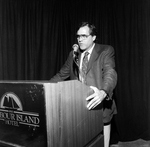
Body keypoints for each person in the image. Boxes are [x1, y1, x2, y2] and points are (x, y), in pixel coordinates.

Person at [50, 22, 117, 147]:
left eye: (84, 36)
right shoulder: (73, 54)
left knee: (103, 144)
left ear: (94, 37)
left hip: (100, 104)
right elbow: (61, 75)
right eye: (78, 36)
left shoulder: (106, 50)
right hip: (78, 107)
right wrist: (44, 87)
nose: (80, 39)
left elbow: (110, 73)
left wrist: (103, 92)